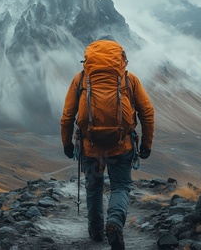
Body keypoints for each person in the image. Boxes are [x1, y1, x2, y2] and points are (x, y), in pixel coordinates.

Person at [60, 40, 154, 249]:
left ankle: (95, 230)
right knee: (120, 186)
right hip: (122, 146)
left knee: (93, 187)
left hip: (90, 147)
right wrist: (146, 144)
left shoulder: (81, 80)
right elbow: (147, 113)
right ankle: (115, 222)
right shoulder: (129, 81)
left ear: (88, 59)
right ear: (121, 59)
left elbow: (67, 116)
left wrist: (67, 144)